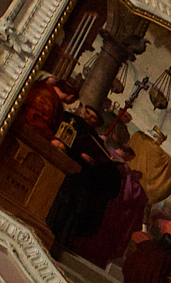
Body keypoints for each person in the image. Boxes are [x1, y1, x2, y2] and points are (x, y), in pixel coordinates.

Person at [46, 105, 121, 256]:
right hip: (66, 176)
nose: (88, 118)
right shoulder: (74, 122)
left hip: (79, 183)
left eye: (93, 117)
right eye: (87, 113)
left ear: (97, 123)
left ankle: (58, 246)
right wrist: (80, 154)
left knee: (70, 216)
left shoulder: (93, 136)